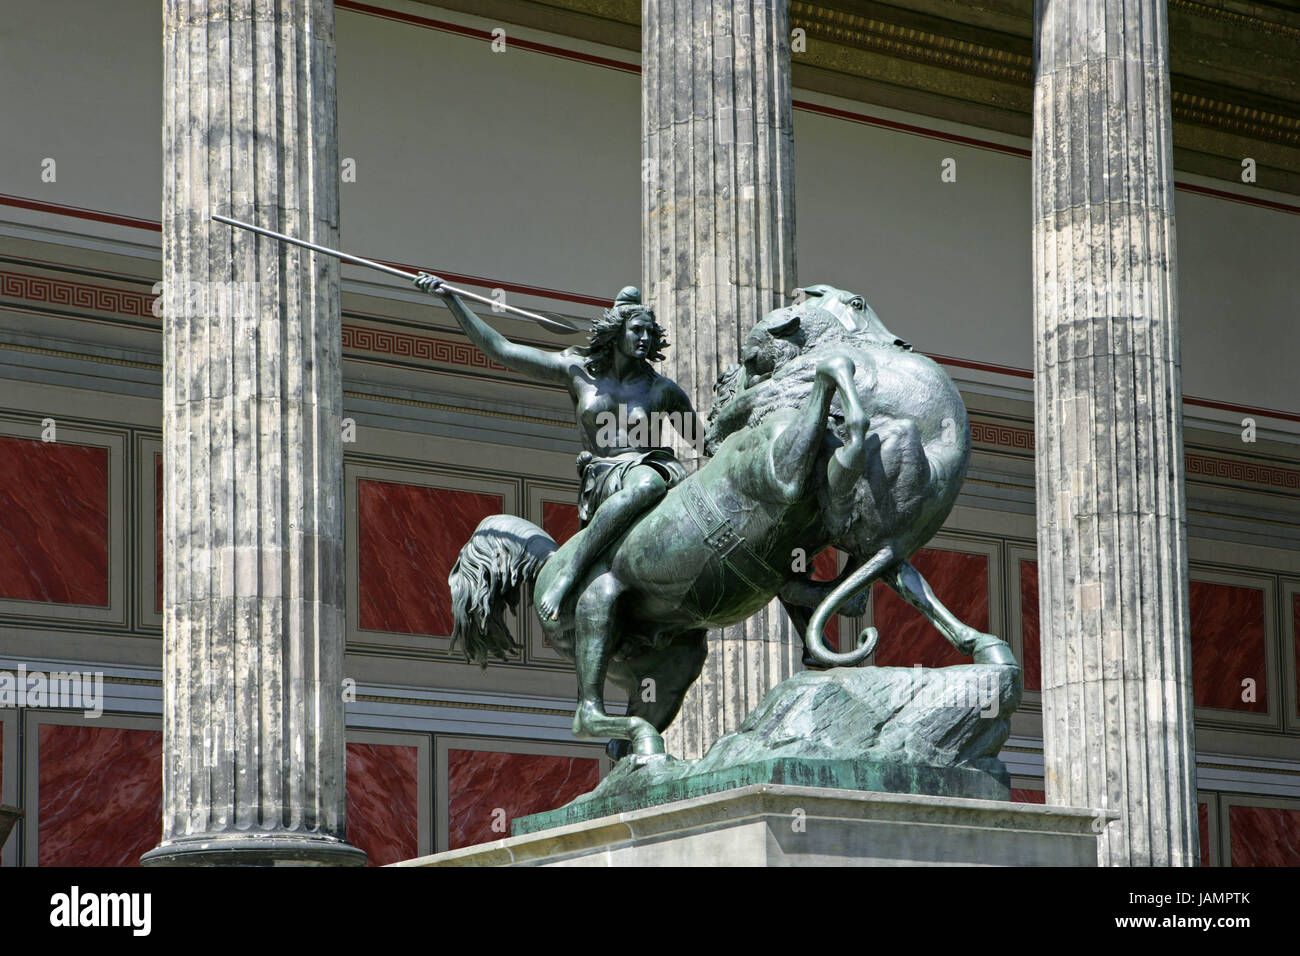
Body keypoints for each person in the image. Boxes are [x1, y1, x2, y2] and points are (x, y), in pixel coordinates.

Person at [414, 276, 699, 620]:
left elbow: (702, 440)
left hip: (648, 467)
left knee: (649, 483)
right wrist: (452, 301)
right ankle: (570, 572)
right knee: (643, 484)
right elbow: (502, 350)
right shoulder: (577, 371)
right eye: (637, 330)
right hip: (604, 479)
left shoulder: (662, 391)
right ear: (617, 331)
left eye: (650, 333)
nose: (645, 338)